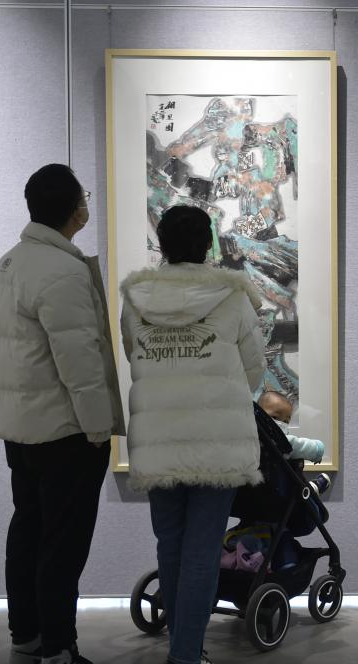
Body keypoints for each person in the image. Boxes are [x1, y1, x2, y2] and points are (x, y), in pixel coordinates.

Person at [0, 163, 125, 664]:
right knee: (62, 543)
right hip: (65, 431)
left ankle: (26, 634)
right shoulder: (62, 270)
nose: (87, 206)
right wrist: (98, 427)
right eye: (83, 198)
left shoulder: (9, 263)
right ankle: (59, 646)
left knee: (28, 529)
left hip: (21, 427)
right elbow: (79, 361)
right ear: (72, 209)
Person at [120, 205, 265, 664]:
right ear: (208, 245)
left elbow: (133, 354)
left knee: (171, 547)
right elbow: (255, 368)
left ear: (161, 245)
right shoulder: (233, 296)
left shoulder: (137, 297)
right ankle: (185, 654)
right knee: (202, 552)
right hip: (217, 441)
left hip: (158, 439)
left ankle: (181, 649)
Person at [257, 390, 326, 463]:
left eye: (286, 421)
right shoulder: (275, 440)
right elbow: (298, 446)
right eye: (275, 417)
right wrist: (318, 450)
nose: (281, 423)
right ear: (257, 414)